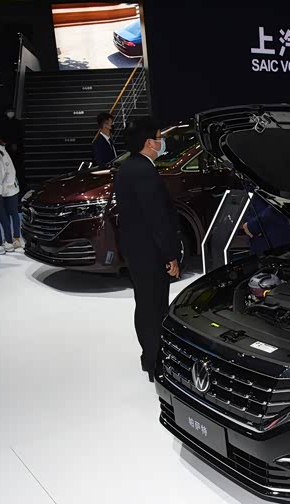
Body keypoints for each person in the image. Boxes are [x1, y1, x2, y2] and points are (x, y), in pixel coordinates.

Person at [114, 117, 180, 382]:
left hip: (135, 249)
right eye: (159, 137)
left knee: (144, 304)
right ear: (149, 143)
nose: (162, 142)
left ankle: (148, 357)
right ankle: (156, 363)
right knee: (154, 307)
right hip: (150, 252)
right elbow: (157, 219)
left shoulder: (126, 167)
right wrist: (170, 255)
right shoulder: (145, 171)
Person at [0, 135, 23, 250]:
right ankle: (9, 238)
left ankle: (16, 238)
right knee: (6, 214)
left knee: (12, 213)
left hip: (10, 189)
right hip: (3, 189)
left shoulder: (1, 152)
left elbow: (9, 172)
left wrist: (6, 186)